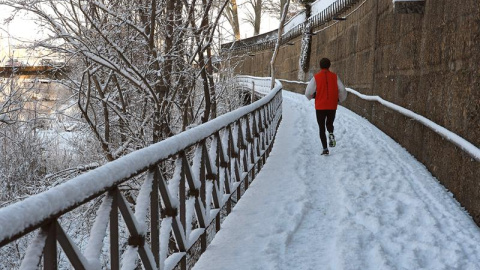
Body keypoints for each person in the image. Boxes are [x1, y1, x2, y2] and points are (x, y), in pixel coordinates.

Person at [305, 58, 347, 155]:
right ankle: (331, 133)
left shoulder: (316, 77)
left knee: (321, 127)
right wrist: (339, 99)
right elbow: (342, 90)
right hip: (332, 106)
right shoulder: (335, 77)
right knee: (329, 123)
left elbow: (308, 92)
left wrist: (311, 97)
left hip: (320, 106)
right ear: (329, 65)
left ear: (320, 66)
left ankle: (325, 149)